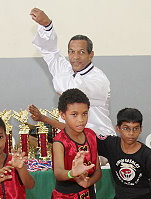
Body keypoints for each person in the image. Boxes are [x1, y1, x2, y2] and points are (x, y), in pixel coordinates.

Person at [28, 7, 113, 137]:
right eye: (71, 52)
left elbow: (73, 91)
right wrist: (47, 26)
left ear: (91, 55)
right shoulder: (65, 69)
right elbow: (49, 52)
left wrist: (58, 81)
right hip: (70, 137)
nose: (75, 57)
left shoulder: (99, 79)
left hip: (99, 139)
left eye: (81, 52)